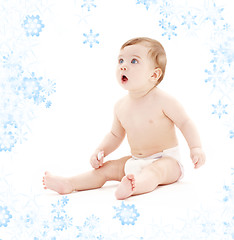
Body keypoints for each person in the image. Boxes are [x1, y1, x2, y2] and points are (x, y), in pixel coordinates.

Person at [43, 37, 206, 200]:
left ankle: (134, 187)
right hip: (135, 160)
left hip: (167, 161)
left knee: (154, 172)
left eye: (134, 61)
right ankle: (69, 183)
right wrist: (101, 151)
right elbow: (115, 135)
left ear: (154, 74)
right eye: (120, 60)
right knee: (106, 169)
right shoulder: (121, 106)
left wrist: (195, 148)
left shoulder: (164, 101)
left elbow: (185, 122)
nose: (123, 65)